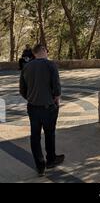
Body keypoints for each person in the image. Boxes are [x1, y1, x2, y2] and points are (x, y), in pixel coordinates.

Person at [19, 44, 65, 177]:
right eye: (47, 50)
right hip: (48, 107)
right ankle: (51, 160)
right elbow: (56, 87)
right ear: (43, 51)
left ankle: (40, 166)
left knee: (35, 136)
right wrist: (56, 99)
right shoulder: (51, 65)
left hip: (32, 108)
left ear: (34, 53)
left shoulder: (26, 67)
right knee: (50, 134)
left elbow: (22, 90)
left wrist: (32, 98)